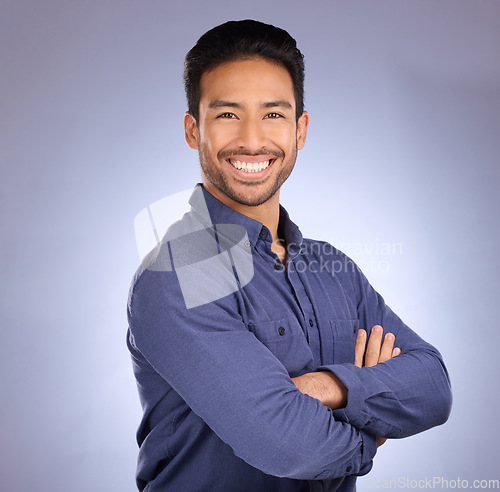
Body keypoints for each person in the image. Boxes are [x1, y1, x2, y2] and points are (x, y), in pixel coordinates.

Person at [127, 19, 452, 492]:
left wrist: (326, 387)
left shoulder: (332, 268)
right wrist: (373, 427)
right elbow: (288, 447)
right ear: (193, 130)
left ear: (300, 129)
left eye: (273, 115)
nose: (253, 140)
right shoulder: (178, 269)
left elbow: (434, 386)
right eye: (227, 115)